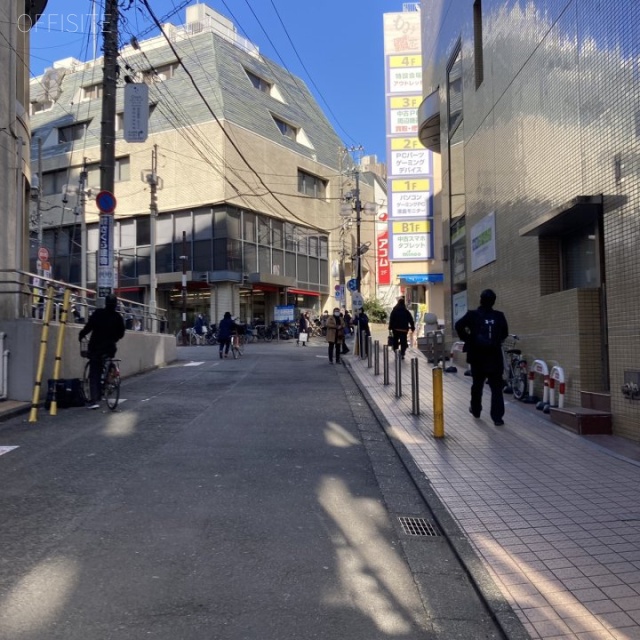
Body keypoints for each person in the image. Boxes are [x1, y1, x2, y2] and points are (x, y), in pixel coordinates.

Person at [454, 289, 509, 426]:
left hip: (477, 357)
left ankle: (476, 409)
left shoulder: (472, 315)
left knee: (477, 385)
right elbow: (505, 333)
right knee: (496, 388)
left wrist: (468, 338)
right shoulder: (499, 316)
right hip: (495, 357)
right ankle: (497, 418)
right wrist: (495, 342)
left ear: (481, 300)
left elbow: (458, 325)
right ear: (493, 301)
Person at [78, 294, 126, 409]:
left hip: (96, 348)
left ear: (105, 303)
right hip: (110, 348)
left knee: (94, 373)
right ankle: (111, 373)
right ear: (115, 304)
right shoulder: (118, 317)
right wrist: (113, 338)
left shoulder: (98, 314)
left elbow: (89, 327)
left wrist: (81, 335)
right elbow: (121, 333)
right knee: (107, 360)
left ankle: (94, 400)